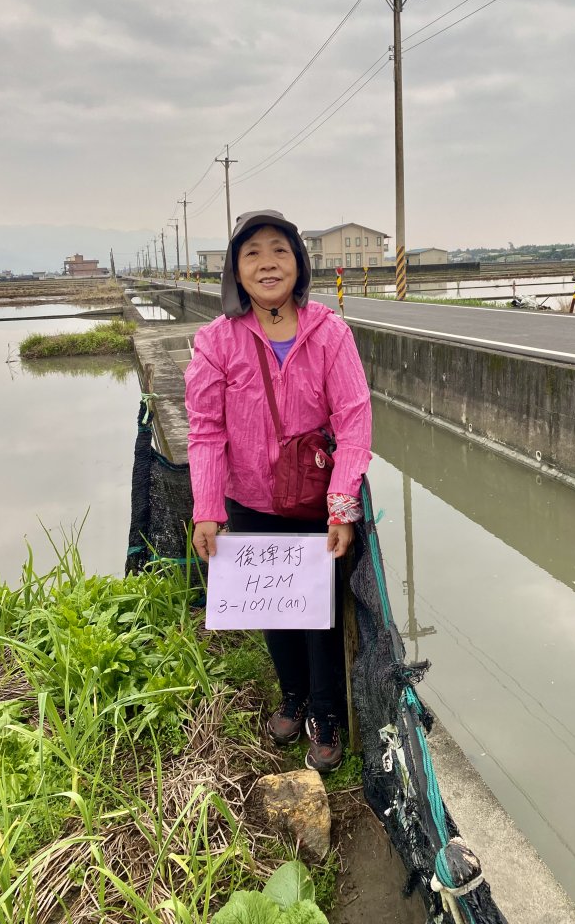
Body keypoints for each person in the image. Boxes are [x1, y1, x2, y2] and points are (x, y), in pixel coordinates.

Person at [184, 209, 372, 772]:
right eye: (252, 254)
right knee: (277, 608)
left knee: (320, 614)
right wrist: (208, 509)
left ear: (299, 263)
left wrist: (342, 506)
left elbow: (355, 418)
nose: (268, 263)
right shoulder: (217, 341)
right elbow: (205, 429)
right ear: (236, 272)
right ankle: (291, 696)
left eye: (280, 251)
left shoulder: (330, 332)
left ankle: (326, 715)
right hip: (252, 501)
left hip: (317, 501)